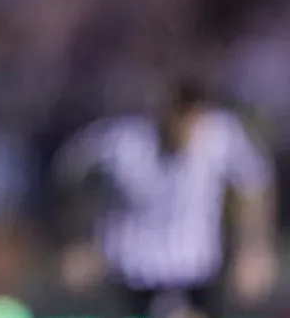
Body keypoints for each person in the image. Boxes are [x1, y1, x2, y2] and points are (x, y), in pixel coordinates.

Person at [53, 78, 278, 318]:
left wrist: (253, 249)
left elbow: (254, 185)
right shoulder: (122, 142)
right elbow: (70, 174)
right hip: (128, 273)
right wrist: (79, 241)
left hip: (196, 273)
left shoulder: (221, 136)